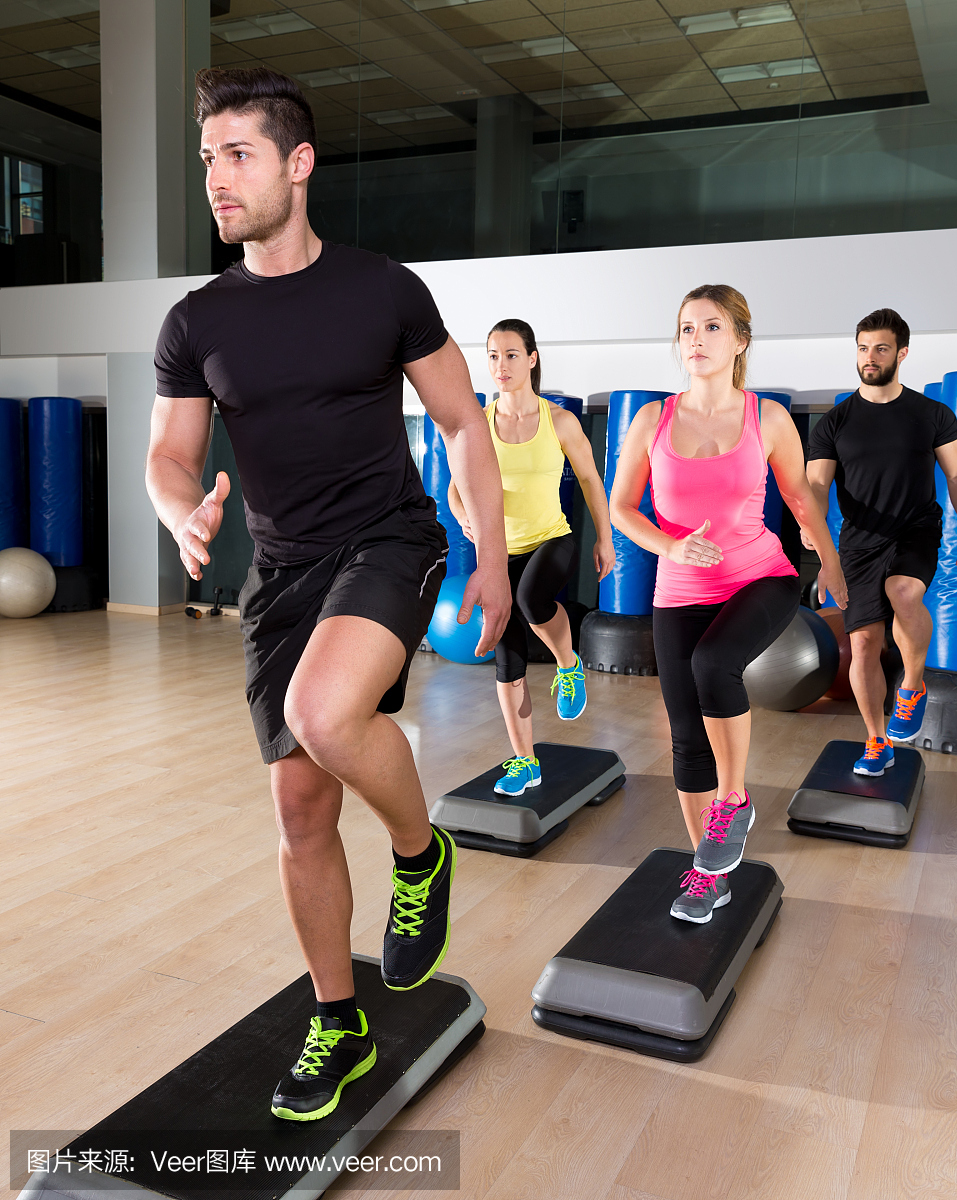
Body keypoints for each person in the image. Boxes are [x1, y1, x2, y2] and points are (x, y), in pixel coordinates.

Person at [146, 67, 509, 1123]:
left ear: (298, 164)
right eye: (208, 159)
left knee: (321, 711)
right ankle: (338, 1020)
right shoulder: (196, 320)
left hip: (388, 539)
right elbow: (168, 457)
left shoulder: (383, 289)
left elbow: (463, 422)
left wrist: (491, 557)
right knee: (301, 809)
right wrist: (182, 513)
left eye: (238, 155)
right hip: (282, 572)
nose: (217, 178)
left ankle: (419, 854)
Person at [610, 284, 847, 923]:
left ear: (740, 340)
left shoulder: (767, 419)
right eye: (687, 328)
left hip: (760, 575)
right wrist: (670, 546)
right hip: (680, 588)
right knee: (686, 740)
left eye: (712, 327)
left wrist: (830, 561)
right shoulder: (652, 419)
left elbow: (799, 496)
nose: (696, 339)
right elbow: (621, 507)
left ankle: (734, 799)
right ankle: (706, 872)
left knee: (714, 664)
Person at [804, 308, 957, 775]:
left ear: (901, 353)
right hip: (859, 542)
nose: (870, 356)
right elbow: (817, 484)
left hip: (915, 528)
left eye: (881, 348)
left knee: (903, 591)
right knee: (864, 644)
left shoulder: (930, 414)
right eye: (863, 348)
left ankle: (912, 685)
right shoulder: (834, 422)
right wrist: (814, 530)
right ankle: (876, 740)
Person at [447, 320, 616, 795]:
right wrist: (462, 516)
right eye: (493, 356)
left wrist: (604, 538)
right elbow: (455, 490)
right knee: (508, 658)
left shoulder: (559, 421)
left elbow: (590, 479)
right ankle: (526, 762)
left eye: (511, 354)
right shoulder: (478, 425)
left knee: (529, 598)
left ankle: (567, 663)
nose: (500, 365)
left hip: (551, 539)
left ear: (532, 358)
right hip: (498, 552)